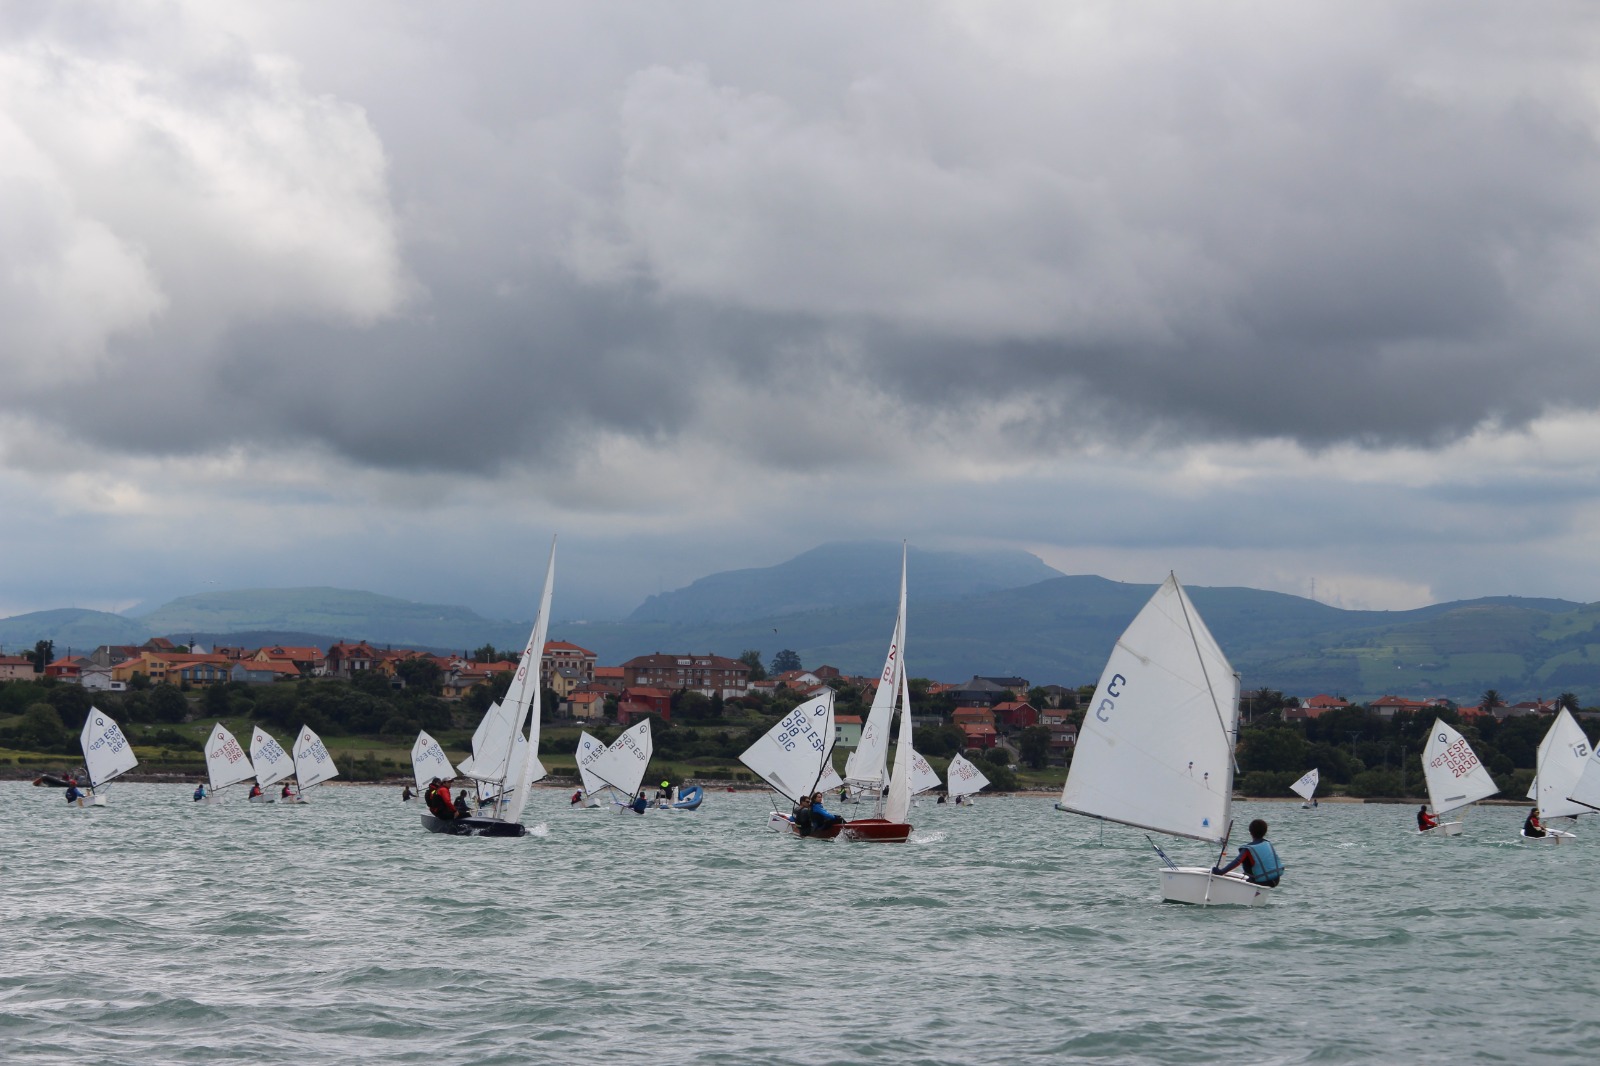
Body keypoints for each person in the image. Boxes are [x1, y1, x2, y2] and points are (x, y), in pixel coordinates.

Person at [1211, 819, 1283, 887]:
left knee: (1245, 857)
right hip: (1276, 880)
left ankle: (1252, 880)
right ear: (1265, 832)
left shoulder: (1248, 849)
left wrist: (1221, 872)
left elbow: (1237, 861)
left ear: (1250, 832)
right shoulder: (1268, 844)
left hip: (1263, 882)